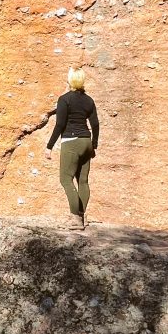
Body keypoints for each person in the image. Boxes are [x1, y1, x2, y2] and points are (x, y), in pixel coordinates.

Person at [44, 67, 99, 230]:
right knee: (83, 180)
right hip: (86, 141)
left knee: (65, 179)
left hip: (72, 141)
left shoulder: (64, 99)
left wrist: (49, 146)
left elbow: (60, 124)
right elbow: (95, 124)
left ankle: (76, 220)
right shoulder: (89, 100)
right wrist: (94, 143)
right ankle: (81, 217)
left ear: (70, 80)